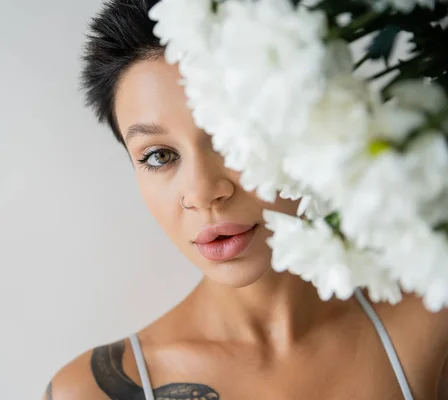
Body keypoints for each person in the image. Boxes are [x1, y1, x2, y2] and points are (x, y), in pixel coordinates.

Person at [44, 1, 448, 398]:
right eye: (159, 156)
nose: (203, 193)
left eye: (226, 139)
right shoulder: (86, 393)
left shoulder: (432, 322)